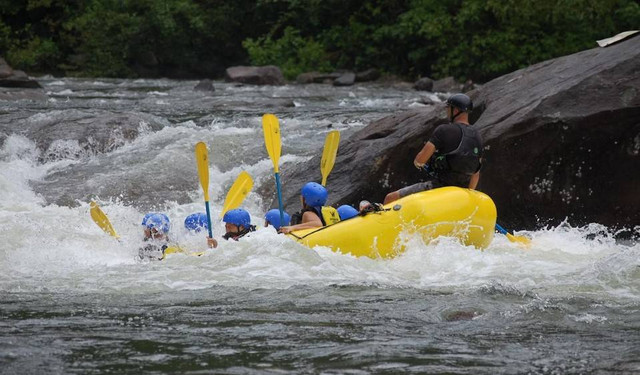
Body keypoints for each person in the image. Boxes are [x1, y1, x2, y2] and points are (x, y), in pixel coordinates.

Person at [383, 93, 483, 204]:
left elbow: (420, 160)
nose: (447, 111)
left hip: (439, 187)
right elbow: (476, 173)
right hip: (462, 192)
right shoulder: (477, 135)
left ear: (455, 111)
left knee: (390, 198)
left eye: (448, 108)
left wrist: (420, 164)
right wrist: (467, 194)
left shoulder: (443, 130)